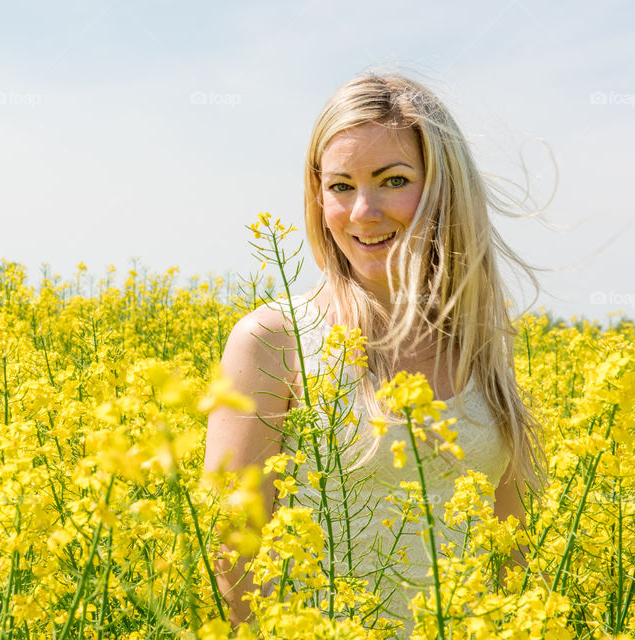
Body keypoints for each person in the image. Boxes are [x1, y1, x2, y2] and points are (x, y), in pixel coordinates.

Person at [203, 71, 549, 636]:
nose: (362, 210)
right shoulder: (272, 340)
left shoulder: (481, 337)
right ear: (318, 196)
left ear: (443, 187)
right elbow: (234, 557)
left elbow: (508, 542)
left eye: (392, 180)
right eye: (341, 185)